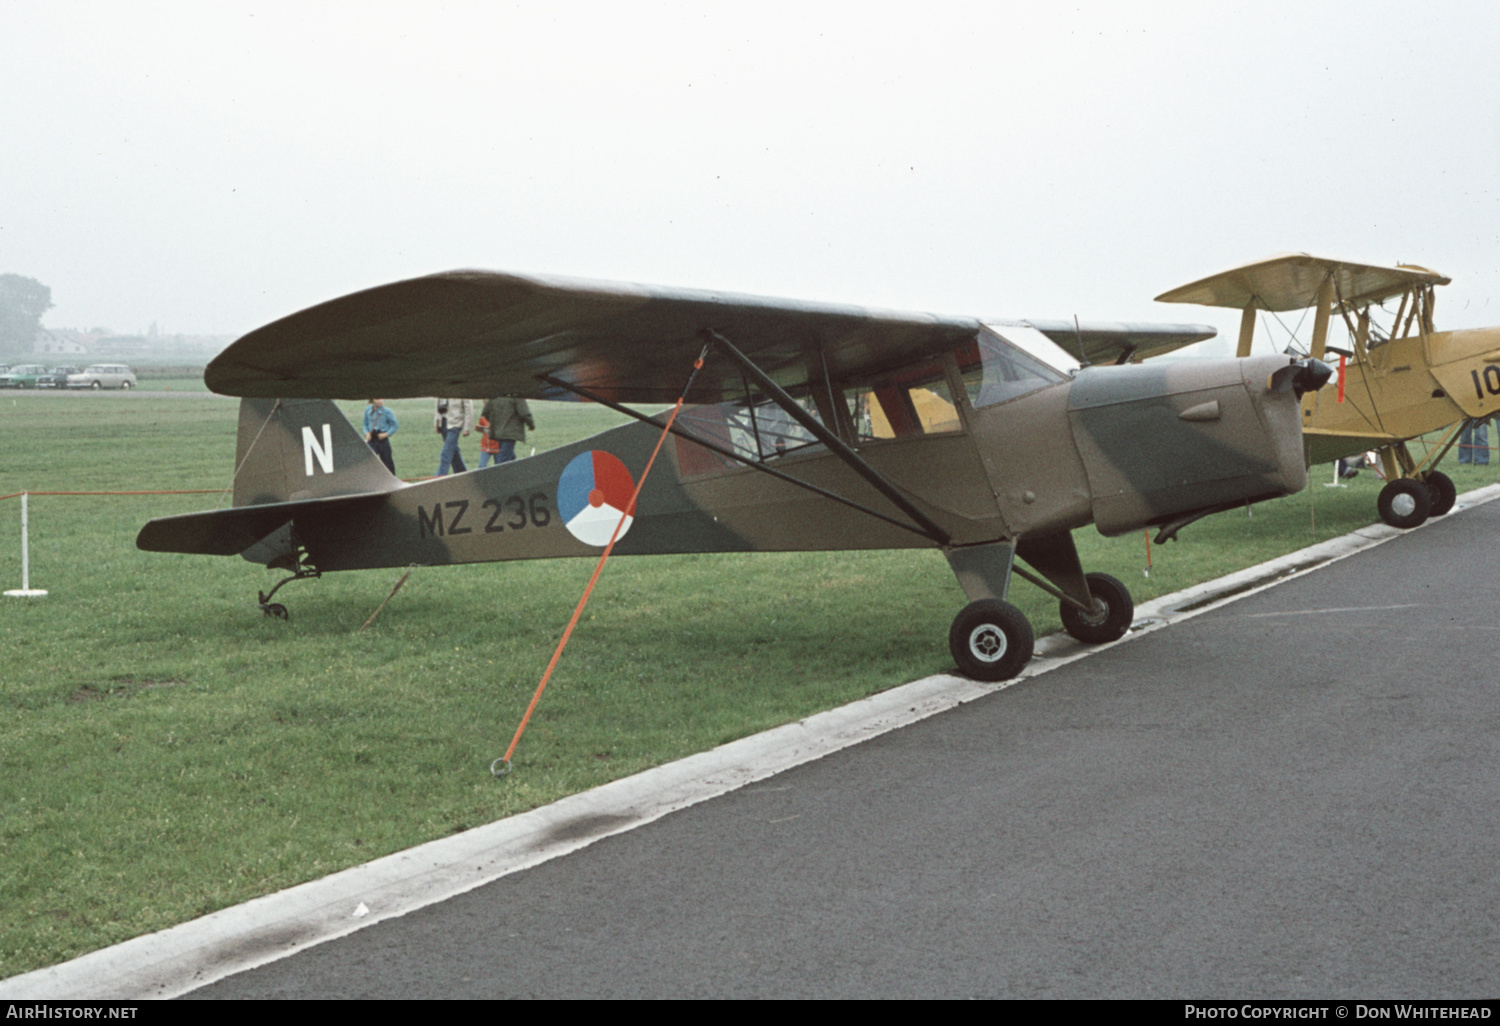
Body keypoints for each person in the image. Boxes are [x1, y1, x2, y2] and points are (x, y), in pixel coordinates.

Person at [479, 395, 536, 466]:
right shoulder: (516, 395)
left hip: (497, 433)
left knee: (507, 456)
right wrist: (531, 425)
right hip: (510, 434)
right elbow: (524, 413)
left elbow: (485, 412)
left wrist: (495, 424)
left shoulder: (494, 395)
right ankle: (504, 474)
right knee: (503, 461)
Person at [433, 398, 474, 475]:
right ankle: (463, 475)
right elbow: (438, 405)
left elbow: (468, 409)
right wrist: (436, 422)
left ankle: (439, 478)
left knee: (446, 453)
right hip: (444, 423)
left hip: (456, 424)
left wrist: (467, 428)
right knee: (454, 452)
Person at [363, 399, 398, 474]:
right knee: (369, 461)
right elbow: (364, 423)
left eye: (381, 399)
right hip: (372, 439)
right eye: (377, 399)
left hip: (382, 440)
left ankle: (391, 479)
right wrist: (366, 433)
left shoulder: (387, 411)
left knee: (387, 462)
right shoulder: (368, 410)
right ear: (372, 400)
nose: (379, 401)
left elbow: (395, 425)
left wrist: (386, 434)